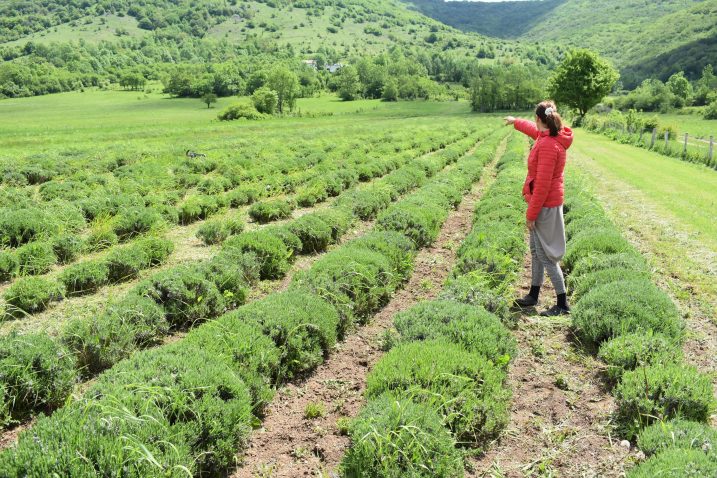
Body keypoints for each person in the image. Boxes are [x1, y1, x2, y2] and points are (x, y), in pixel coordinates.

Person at [504, 101, 573, 316]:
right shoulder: (549, 137)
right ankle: (533, 294)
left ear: (538, 118)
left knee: (545, 255)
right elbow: (534, 131)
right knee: (535, 251)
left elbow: (542, 187)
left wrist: (531, 215)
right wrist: (516, 122)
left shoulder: (547, 146)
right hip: (545, 203)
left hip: (545, 206)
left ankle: (562, 304)